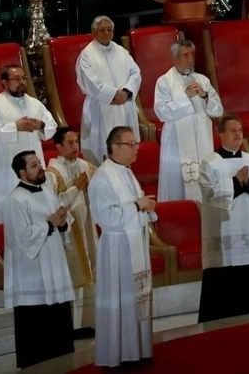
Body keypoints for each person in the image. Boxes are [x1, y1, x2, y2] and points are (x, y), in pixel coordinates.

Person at [88, 126, 156, 368]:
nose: (136, 147)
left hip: (134, 242)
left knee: (136, 297)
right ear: (115, 147)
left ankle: (138, 349)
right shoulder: (102, 177)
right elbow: (105, 217)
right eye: (130, 144)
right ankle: (119, 353)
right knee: (121, 298)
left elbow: (135, 204)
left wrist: (146, 208)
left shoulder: (127, 172)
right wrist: (137, 206)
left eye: (135, 143)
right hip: (117, 248)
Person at [3, 150, 75, 369]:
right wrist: (51, 224)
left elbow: (63, 221)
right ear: (22, 172)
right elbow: (22, 237)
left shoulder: (46, 191)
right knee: (35, 328)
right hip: (32, 273)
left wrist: (63, 223)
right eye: (34, 166)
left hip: (54, 265)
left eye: (39, 163)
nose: (41, 168)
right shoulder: (15, 200)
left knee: (59, 324)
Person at [197, 114, 249, 322]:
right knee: (223, 274)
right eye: (233, 130)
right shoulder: (210, 162)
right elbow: (208, 193)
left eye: (240, 130)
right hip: (223, 226)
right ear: (220, 134)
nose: (238, 134)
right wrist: (236, 182)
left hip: (248, 223)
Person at [0, 64, 56, 225]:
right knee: (12, 219)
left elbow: (52, 126)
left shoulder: (35, 104)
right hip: (6, 171)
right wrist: (16, 127)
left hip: (33, 167)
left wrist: (41, 125)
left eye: (23, 78)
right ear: (4, 83)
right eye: (16, 79)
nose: (21, 82)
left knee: (37, 216)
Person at [154, 39, 223, 201]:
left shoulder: (202, 80)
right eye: (186, 55)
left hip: (202, 140)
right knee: (178, 184)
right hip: (176, 144)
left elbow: (218, 110)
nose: (190, 59)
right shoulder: (164, 82)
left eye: (192, 55)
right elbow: (161, 112)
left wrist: (205, 96)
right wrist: (186, 97)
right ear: (175, 58)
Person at [45, 127, 98, 332]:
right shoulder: (52, 173)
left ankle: (88, 321)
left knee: (92, 266)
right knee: (74, 271)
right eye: (70, 143)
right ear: (58, 147)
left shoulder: (86, 166)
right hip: (69, 231)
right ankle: (73, 325)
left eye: (76, 142)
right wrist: (75, 187)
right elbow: (53, 205)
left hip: (87, 223)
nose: (75, 146)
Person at [76, 15, 142, 164]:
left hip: (124, 106)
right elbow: (88, 80)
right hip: (101, 107)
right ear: (94, 32)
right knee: (102, 152)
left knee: (125, 149)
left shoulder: (121, 51)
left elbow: (135, 73)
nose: (106, 33)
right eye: (102, 30)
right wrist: (113, 95)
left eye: (109, 30)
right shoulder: (86, 55)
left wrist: (126, 92)